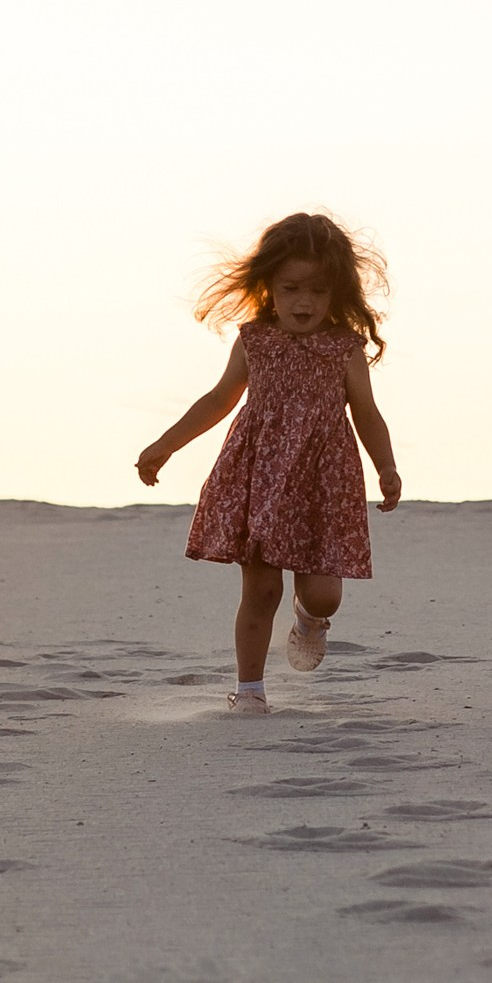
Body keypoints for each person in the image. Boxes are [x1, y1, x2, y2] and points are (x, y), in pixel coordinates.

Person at [135, 212, 402, 709]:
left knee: (324, 595)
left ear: (337, 292)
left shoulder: (344, 347)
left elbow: (366, 413)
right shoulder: (254, 339)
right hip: (259, 477)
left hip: (323, 483)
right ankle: (250, 691)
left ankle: (310, 619)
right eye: (291, 288)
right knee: (259, 590)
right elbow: (219, 400)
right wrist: (166, 444)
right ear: (269, 287)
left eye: (319, 291)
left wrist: (385, 466)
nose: (304, 302)